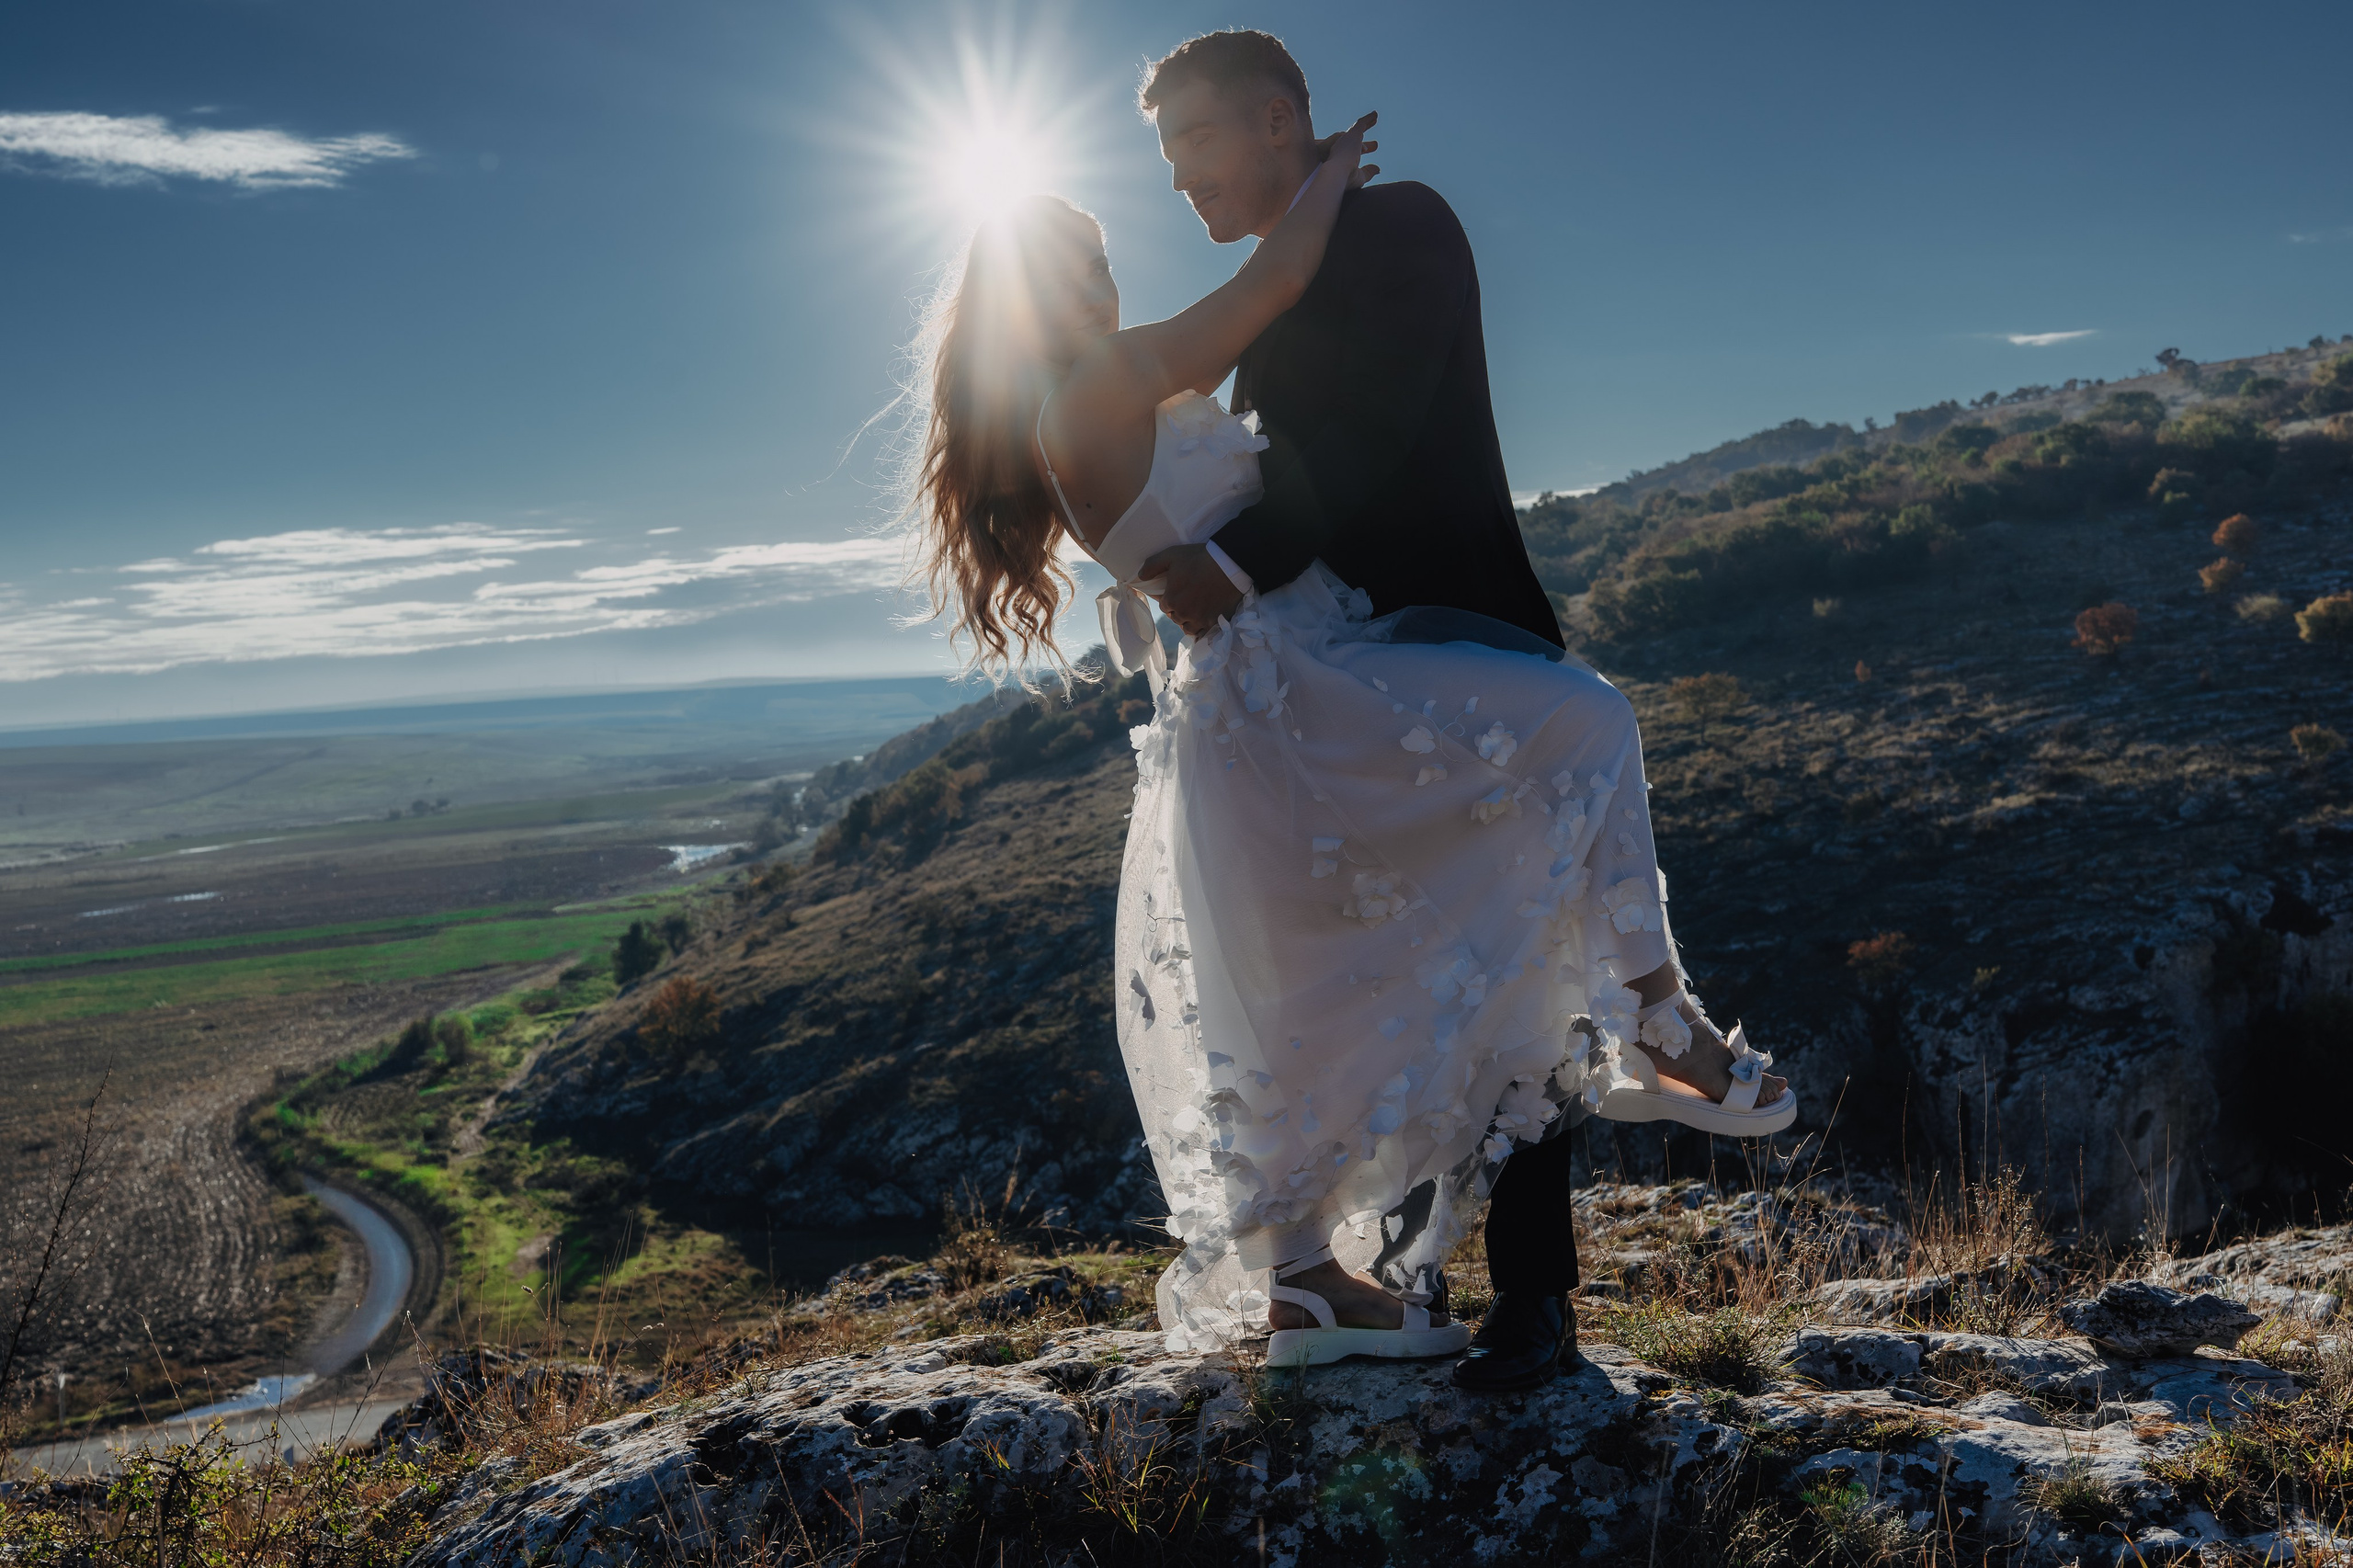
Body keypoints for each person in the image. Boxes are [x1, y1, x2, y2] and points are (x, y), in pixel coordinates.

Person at [905, 28, 1792, 1392]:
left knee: (1476, 951)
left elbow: (1360, 442)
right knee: (1399, 969)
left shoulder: (1399, 232)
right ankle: (1417, 1245)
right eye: (1085, 255)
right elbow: (1265, 387)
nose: (1171, 197)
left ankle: (1519, 1286)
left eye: (1195, 146)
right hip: (1310, 675)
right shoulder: (1162, 351)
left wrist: (1318, 207)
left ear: (1276, 121)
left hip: (1424, 627)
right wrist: (1302, 216)